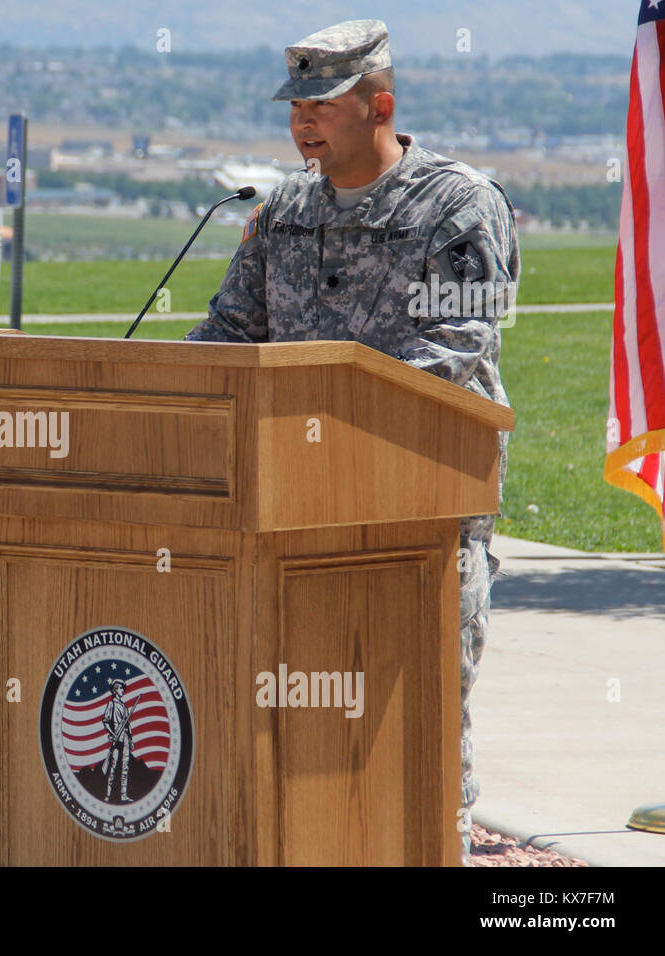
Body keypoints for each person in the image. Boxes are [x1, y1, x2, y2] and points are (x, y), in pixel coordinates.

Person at [184, 19, 516, 866]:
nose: (302, 123)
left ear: (381, 105)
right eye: (295, 105)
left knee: (422, 725)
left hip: (422, 513)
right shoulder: (285, 209)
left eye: (322, 105)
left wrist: (317, 434)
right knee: (295, 725)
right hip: (287, 518)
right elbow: (228, 335)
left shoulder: (458, 206)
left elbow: (447, 358)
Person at [101, 679, 133, 803]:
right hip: (116, 739)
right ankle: (108, 795)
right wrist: (112, 734)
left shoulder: (124, 706)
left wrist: (130, 739)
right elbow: (106, 721)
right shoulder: (111, 704)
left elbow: (128, 724)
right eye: (120, 688)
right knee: (113, 767)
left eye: (123, 689)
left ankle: (123, 795)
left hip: (125, 738)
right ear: (115, 690)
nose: (122, 691)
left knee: (125, 767)